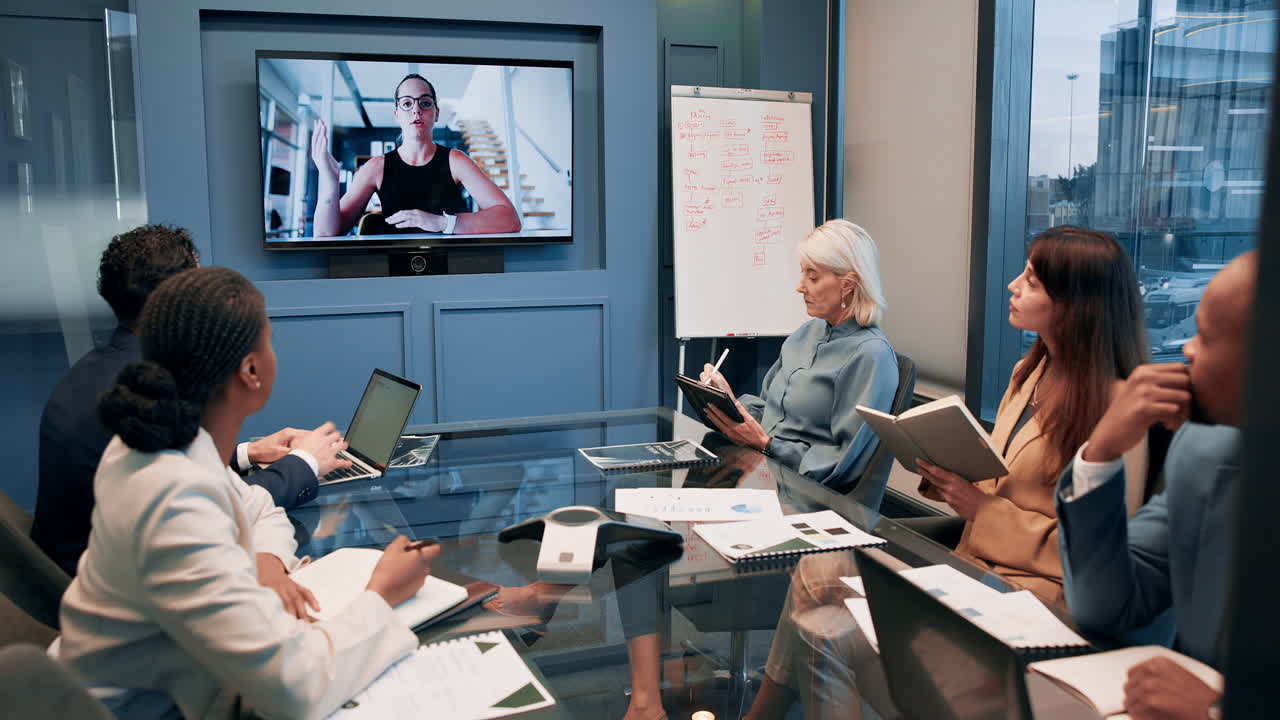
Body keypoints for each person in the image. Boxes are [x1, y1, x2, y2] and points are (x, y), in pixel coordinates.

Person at [57, 266, 439, 720]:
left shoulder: (170, 445)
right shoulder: (170, 499)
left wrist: (266, 562)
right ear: (252, 371)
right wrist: (382, 595)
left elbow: (259, 507)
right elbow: (294, 689)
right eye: (270, 340)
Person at [30, 225, 346, 576]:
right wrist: (306, 462)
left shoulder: (100, 370)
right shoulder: (154, 391)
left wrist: (246, 453)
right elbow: (206, 509)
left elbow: (184, 473)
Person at [1056, 250, 1259, 720]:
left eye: (1205, 336)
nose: (1186, 348)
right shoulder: (1204, 453)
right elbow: (1107, 609)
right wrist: (1100, 454)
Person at [915, 225, 1148, 603]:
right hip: (971, 567)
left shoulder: (1121, 408)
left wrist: (983, 510)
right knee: (830, 578)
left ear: (1077, 304)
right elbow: (998, 483)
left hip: (1038, 595)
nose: (1012, 285)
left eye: (1032, 281)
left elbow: (1103, 552)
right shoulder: (1028, 372)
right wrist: (949, 476)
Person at [698, 219, 898, 494]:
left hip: (806, 495)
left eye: (812, 277)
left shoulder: (871, 356)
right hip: (762, 475)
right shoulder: (807, 333)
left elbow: (842, 464)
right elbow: (769, 409)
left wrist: (767, 444)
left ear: (848, 285)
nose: (800, 286)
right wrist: (730, 403)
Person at [310, 73, 521, 237]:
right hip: (391, 270)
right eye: (407, 103)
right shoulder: (376, 167)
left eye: (425, 102)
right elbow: (325, 233)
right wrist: (329, 179)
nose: (416, 110)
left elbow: (509, 219)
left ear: (436, 113)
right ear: (397, 114)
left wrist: (442, 222)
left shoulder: (456, 161)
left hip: (450, 267)